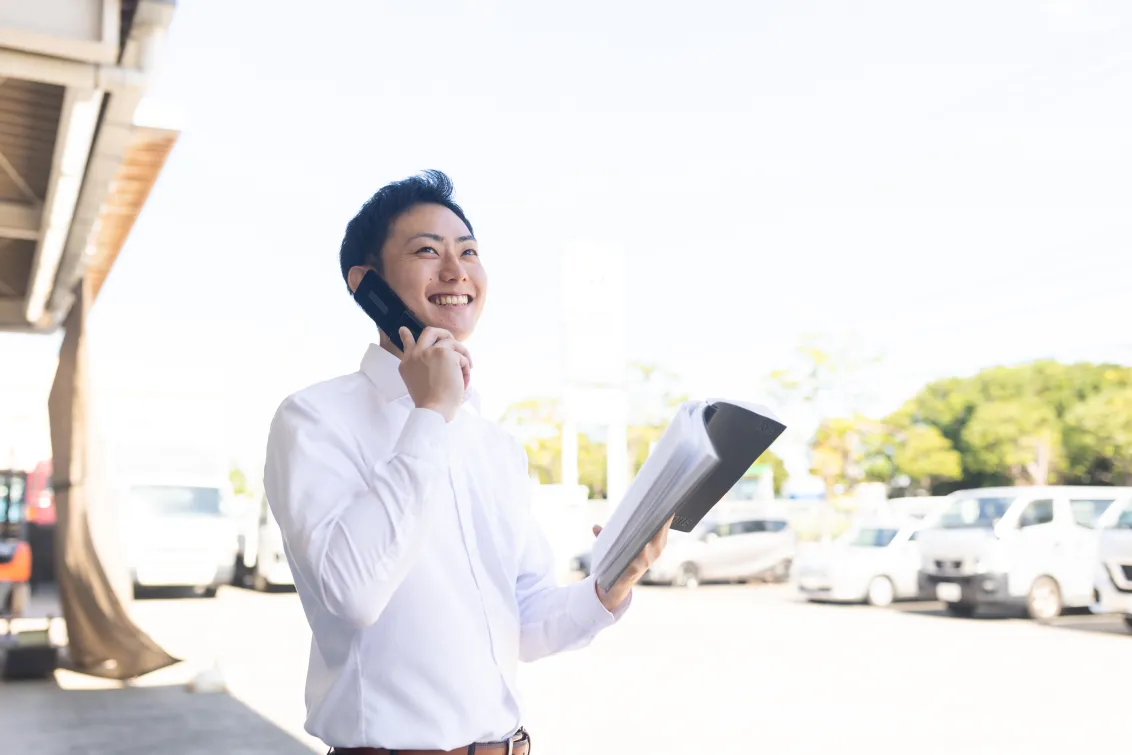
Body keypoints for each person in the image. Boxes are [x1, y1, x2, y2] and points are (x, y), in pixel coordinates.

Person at [263, 170, 671, 755]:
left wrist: (611, 585)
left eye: (469, 252)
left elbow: (524, 621)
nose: (456, 272)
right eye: (428, 251)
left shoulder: (495, 445)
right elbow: (353, 593)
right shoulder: (314, 418)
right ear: (365, 284)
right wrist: (430, 412)